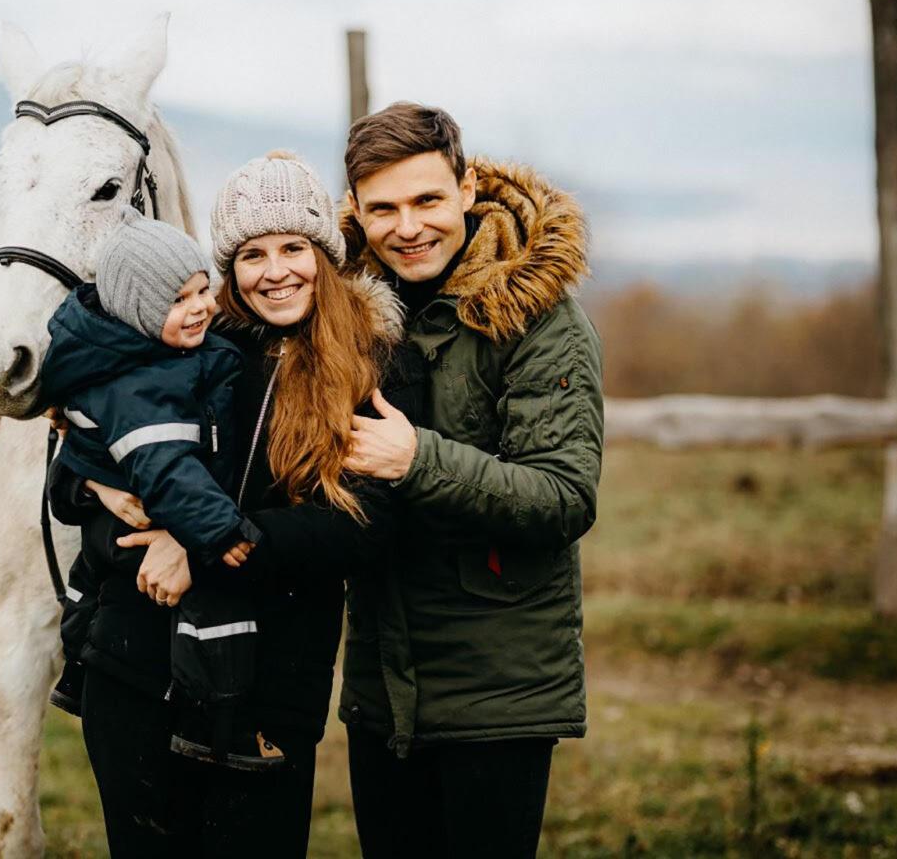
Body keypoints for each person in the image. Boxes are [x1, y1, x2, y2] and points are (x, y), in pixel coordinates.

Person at [55, 150, 429, 858]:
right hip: (137, 665)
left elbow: (362, 526)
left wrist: (204, 551)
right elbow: (84, 480)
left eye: (294, 247)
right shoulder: (190, 343)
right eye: (252, 254)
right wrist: (91, 488)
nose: (276, 270)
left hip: (268, 686)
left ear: (325, 251)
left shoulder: (375, 363)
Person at [338, 102, 605, 858]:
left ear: (467, 186)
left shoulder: (541, 318)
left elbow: (563, 494)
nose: (408, 226)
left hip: (500, 690)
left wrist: (416, 459)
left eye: (427, 200)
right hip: (380, 687)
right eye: (383, 208)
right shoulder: (348, 316)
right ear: (356, 210)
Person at [40, 206, 277, 769]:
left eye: (201, 291)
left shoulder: (149, 354)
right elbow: (167, 468)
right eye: (177, 301)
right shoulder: (145, 380)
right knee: (216, 612)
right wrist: (221, 532)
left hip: (122, 524)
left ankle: (76, 673)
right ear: (140, 312)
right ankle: (221, 723)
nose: (199, 309)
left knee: (88, 589)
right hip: (161, 519)